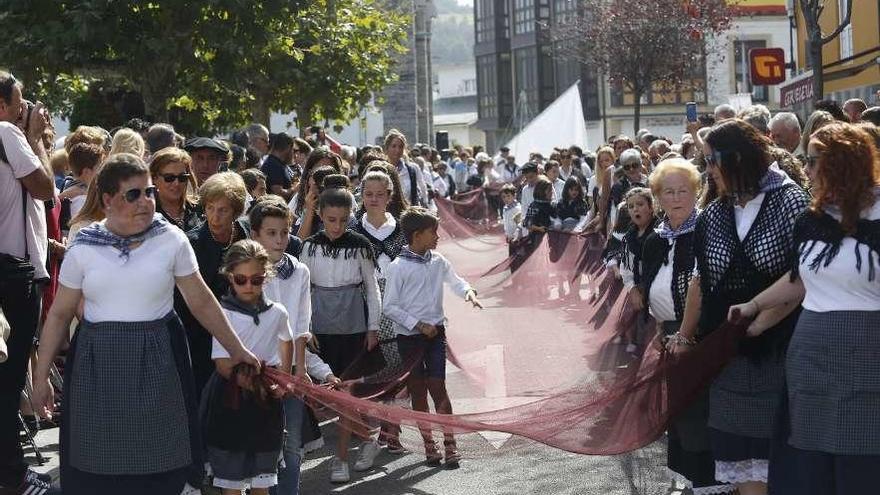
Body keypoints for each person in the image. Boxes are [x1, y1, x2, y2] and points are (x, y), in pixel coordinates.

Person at [31, 153, 260, 495]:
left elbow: (200, 300)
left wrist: (238, 349)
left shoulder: (171, 239)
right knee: (98, 463)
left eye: (149, 192)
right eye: (134, 194)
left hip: (158, 360)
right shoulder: (84, 245)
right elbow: (60, 314)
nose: (146, 202)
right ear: (108, 200)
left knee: (161, 465)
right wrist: (40, 380)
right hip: (98, 365)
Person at [728, 123, 880, 494]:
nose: (806, 169)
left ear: (841, 164)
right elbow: (798, 280)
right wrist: (753, 306)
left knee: (863, 456)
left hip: (870, 353)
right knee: (811, 459)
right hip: (811, 354)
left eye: (813, 161)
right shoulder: (811, 219)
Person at [682, 119, 809, 495]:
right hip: (730, 360)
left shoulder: (790, 201)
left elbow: (801, 280)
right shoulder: (713, 213)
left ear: (735, 158)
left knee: (783, 464)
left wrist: (756, 325)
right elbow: (701, 282)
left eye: (710, 161)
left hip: (781, 353)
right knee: (742, 466)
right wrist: (688, 337)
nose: (707, 171)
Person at [639, 159, 734, 494]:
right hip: (668, 335)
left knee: (700, 415)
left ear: (697, 193)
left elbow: (702, 288)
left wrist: (686, 335)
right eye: (668, 192)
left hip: (700, 336)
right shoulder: (654, 240)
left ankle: (713, 485)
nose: (676, 197)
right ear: (657, 198)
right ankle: (694, 481)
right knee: (678, 416)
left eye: (683, 191)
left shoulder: (706, 232)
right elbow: (649, 294)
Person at [383, 207, 482, 468]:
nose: (437, 236)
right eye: (432, 232)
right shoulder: (398, 267)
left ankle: (450, 445)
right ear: (417, 235)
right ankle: (430, 445)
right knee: (418, 390)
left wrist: (468, 292)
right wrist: (416, 324)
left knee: (438, 385)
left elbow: (456, 281)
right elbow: (389, 306)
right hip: (410, 340)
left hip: (436, 335)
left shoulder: (438, 261)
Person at [248, 196, 332, 495]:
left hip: (290, 370)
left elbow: (300, 323)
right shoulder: (247, 274)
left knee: (292, 443)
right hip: (258, 369)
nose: (280, 239)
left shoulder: (299, 271)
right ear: (254, 234)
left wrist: (299, 369)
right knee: (261, 444)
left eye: (284, 232)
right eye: (271, 233)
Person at [299, 187, 381, 483]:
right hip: (320, 326)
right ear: (320, 216)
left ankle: (342, 457)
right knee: (332, 394)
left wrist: (373, 327)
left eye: (343, 220)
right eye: (331, 220)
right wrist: (306, 328)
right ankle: (369, 437)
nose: (336, 227)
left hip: (353, 326)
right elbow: (302, 290)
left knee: (347, 394)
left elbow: (372, 289)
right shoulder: (308, 247)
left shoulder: (360, 245)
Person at [0, 71, 56, 495]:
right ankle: (12, 478)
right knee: (8, 379)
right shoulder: (5, 132)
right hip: (10, 273)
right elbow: (45, 188)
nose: (25, 110)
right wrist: (34, 138)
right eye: (20, 103)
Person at [201, 240, 291, 494]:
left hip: (267, 401)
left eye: (257, 279)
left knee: (263, 477)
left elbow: (287, 340)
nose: (249, 286)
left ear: (266, 276)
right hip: (232, 399)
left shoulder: (277, 312)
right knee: (233, 479)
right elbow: (222, 364)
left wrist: (283, 379)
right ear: (230, 277)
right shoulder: (224, 314)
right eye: (241, 279)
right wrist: (254, 385)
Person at [350, 170, 410, 468]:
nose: (373, 199)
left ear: (389, 196)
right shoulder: (353, 228)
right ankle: (368, 434)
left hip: (397, 304)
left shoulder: (401, 229)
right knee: (370, 371)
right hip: (363, 304)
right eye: (368, 194)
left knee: (397, 368)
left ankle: (392, 428)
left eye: (379, 194)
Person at [180, 171, 250, 398]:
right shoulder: (192, 243)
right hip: (200, 337)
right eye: (210, 208)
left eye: (223, 210)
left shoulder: (247, 236)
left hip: (242, 333)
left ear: (236, 211)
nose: (215, 217)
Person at [149, 147, 202, 232]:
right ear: (154, 178)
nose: (176, 183)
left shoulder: (200, 209)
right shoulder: (147, 214)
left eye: (182, 177)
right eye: (169, 178)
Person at [59, 143, 103, 224]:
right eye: (99, 167)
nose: (102, 171)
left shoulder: (72, 187)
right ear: (86, 172)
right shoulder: (80, 200)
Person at [384, 129, 427, 207]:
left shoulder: (411, 170)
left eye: (400, 147)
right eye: (394, 146)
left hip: (407, 215)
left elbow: (419, 194)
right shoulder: (381, 169)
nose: (397, 150)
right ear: (387, 148)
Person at [261, 132, 296, 202]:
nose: (294, 154)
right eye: (293, 150)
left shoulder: (279, 164)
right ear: (288, 148)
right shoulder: (273, 165)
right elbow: (278, 193)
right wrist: (295, 189)